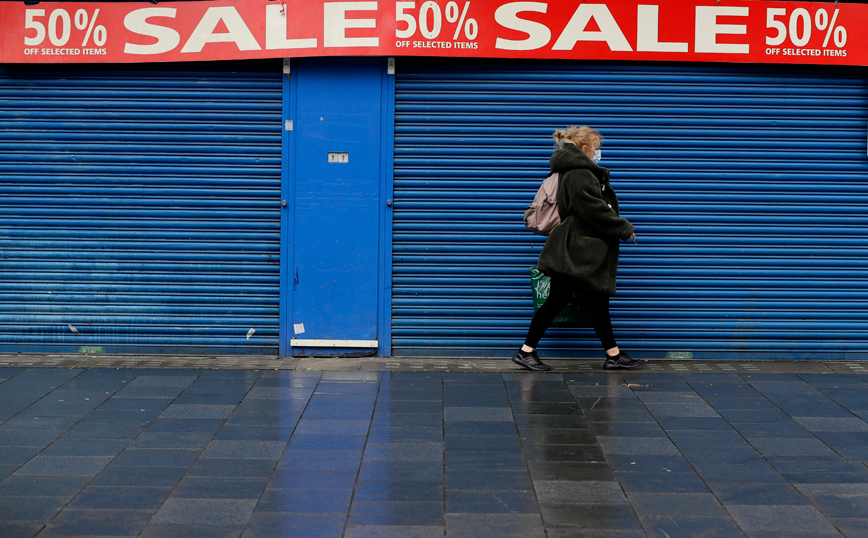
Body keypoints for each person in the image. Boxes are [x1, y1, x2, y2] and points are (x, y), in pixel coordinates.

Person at [513, 126, 642, 372]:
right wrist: (623, 227)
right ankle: (526, 351)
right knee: (559, 301)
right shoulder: (580, 173)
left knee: (595, 301)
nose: (598, 153)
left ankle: (613, 354)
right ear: (585, 150)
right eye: (596, 149)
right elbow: (592, 209)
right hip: (578, 250)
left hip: (581, 249)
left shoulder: (573, 171)